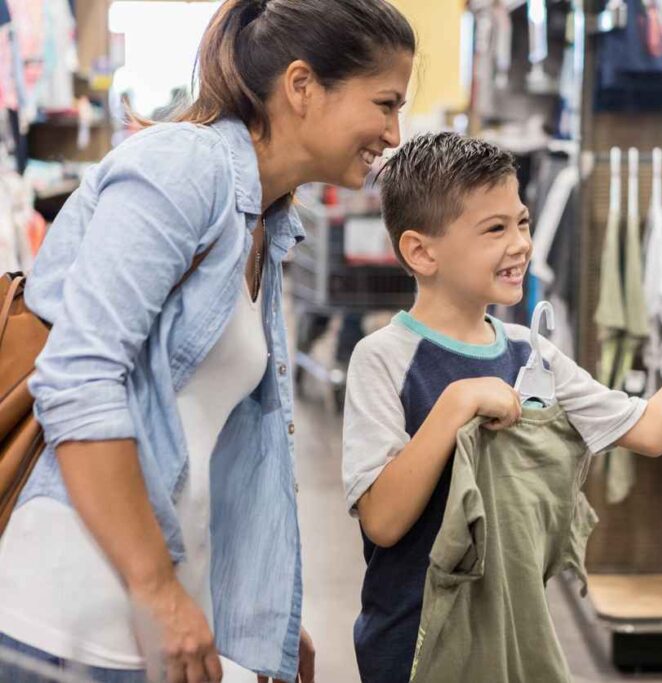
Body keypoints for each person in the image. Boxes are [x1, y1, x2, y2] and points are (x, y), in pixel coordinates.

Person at [0, 1, 415, 682]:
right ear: (302, 86)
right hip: (68, 616)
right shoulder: (183, 167)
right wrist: (158, 591)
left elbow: (204, 444)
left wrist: (258, 615)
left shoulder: (268, 223)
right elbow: (78, 378)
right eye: (385, 102)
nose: (395, 132)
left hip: (152, 620)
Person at [340, 133, 662, 682]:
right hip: (415, 651)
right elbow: (383, 520)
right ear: (421, 251)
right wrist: (457, 402)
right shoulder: (383, 359)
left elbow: (653, 428)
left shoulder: (529, 351)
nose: (520, 244)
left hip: (513, 641)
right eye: (495, 229)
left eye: (522, 222)